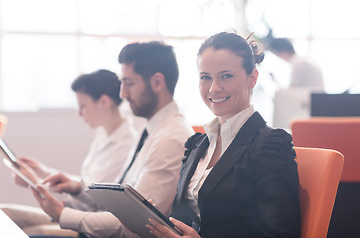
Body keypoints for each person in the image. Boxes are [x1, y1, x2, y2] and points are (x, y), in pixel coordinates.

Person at [30, 41, 194, 238]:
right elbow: (117, 201)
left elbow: (135, 224)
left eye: (129, 83)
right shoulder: (151, 129)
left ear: (157, 83)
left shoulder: (169, 139)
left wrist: (62, 214)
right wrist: (77, 187)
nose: (122, 93)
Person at [146, 32, 301, 238]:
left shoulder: (270, 145)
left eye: (226, 76)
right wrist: (147, 222)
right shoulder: (197, 144)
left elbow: (281, 235)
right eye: (205, 77)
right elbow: (186, 220)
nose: (214, 88)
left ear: (252, 78)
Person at [1, 69, 138, 235]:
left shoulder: (125, 146)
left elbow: (94, 202)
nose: (79, 114)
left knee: (23, 230)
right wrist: (44, 172)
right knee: (4, 213)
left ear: (104, 101)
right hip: (74, 212)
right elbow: (83, 184)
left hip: (87, 222)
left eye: (83, 106)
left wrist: (35, 181)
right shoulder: (103, 136)